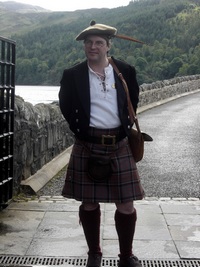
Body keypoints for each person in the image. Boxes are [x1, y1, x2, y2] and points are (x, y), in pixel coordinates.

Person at [59, 21, 144, 267]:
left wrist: (123, 129)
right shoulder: (72, 75)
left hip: (119, 144)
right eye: (88, 43)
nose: (92, 47)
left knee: (126, 204)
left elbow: (133, 100)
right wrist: (83, 132)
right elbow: (66, 106)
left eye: (98, 43)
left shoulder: (125, 71)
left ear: (108, 46)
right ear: (84, 46)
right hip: (87, 144)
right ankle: (94, 253)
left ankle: (126, 256)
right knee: (89, 202)